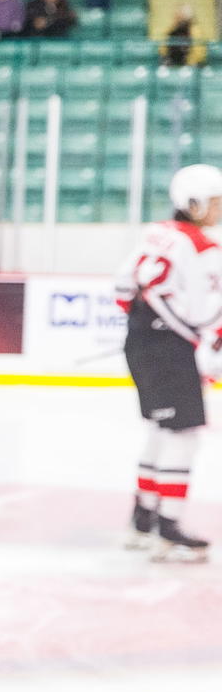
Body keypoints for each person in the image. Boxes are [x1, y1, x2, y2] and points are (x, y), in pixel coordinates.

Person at [111, 164, 221, 561]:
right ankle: (169, 526)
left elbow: (122, 287)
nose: (219, 209)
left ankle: (143, 520)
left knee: (162, 429)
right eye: (215, 202)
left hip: (140, 341)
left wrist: (148, 323)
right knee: (184, 433)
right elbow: (206, 313)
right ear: (193, 203)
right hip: (170, 350)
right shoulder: (203, 247)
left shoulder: (156, 232)